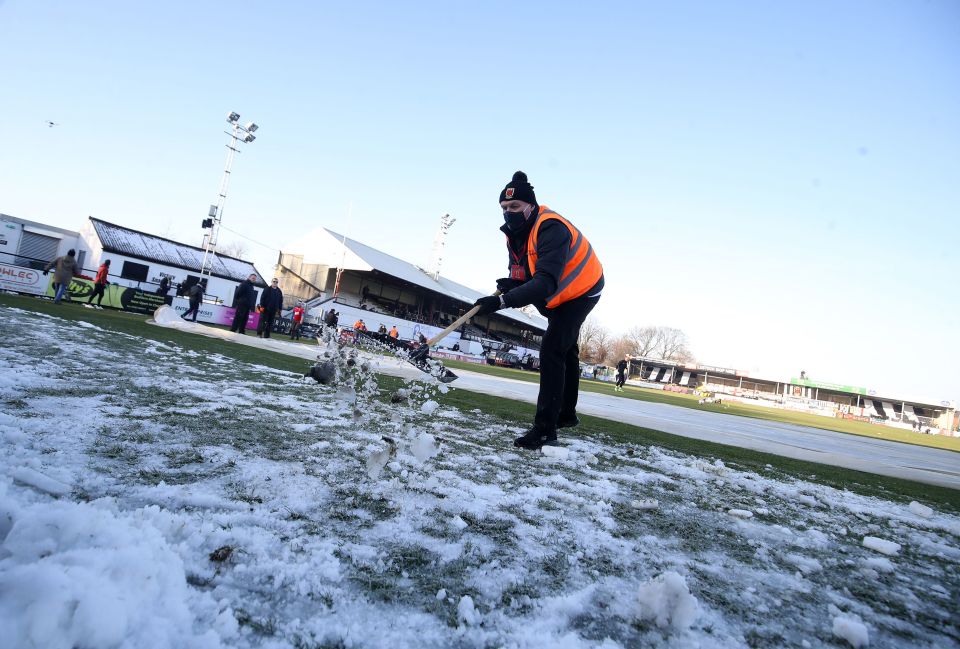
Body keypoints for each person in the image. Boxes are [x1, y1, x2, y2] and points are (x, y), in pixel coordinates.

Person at [473, 171, 604, 450]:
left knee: (553, 349)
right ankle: (566, 414)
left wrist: (500, 302)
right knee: (566, 349)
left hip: (581, 290)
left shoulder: (550, 227)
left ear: (531, 206)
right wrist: (511, 283)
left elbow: (544, 281)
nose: (509, 212)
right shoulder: (514, 234)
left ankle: (546, 430)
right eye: (505, 208)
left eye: (515, 207)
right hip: (556, 293)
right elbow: (523, 273)